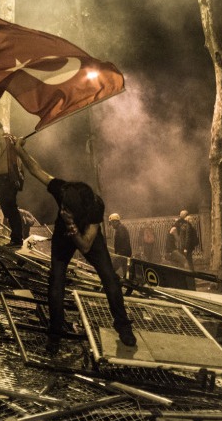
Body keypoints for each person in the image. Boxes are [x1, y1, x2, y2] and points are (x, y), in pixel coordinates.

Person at [13, 138, 137, 353]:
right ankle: (55, 335)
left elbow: (86, 246)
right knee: (56, 281)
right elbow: (36, 170)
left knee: (110, 278)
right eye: (63, 207)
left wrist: (73, 226)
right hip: (63, 235)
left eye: (68, 211)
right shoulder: (63, 189)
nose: (63, 210)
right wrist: (18, 150)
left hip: (88, 236)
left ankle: (123, 325)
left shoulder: (95, 207)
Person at [0, 121, 24, 247]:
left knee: (10, 208)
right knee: (10, 208)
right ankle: (17, 237)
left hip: (5, 179)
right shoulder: (10, 139)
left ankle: (17, 239)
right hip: (11, 179)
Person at [108, 213, 132, 278]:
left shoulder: (120, 229)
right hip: (124, 253)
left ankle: (107, 285)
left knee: (111, 270)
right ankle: (129, 286)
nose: (112, 225)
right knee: (126, 273)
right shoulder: (120, 228)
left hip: (122, 254)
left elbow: (121, 241)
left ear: (115, 221)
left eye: (112, 223)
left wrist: (119, 252)